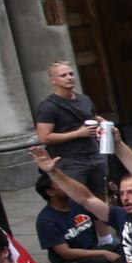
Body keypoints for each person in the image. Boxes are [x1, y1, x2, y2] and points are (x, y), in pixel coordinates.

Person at [32, 61, 108, 196]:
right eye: (63, 75)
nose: (69, 77)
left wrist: (103, 123)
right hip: (70, 161)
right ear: (53, 80)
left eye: (71, 74)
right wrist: (77, 134)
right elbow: (44, 137)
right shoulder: (48, 106)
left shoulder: (84, 99)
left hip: (95, 155)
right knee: (78, 200)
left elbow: (92, 116)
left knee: (101, 195)